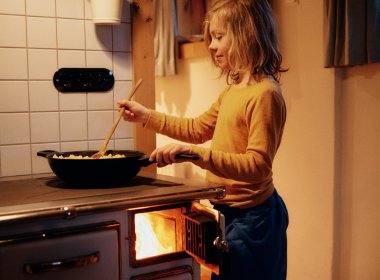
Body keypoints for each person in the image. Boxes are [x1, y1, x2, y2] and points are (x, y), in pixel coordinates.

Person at [118, 0, 288, 279]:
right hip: (227, 213)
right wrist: (146, 116)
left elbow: (258, 165)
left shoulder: (264, 95)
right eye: (210, 38)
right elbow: (198, 128)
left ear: (247, 34)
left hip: (254, 220)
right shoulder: (233, 91)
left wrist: (197, 155)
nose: (210, 45)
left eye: (219, 37)